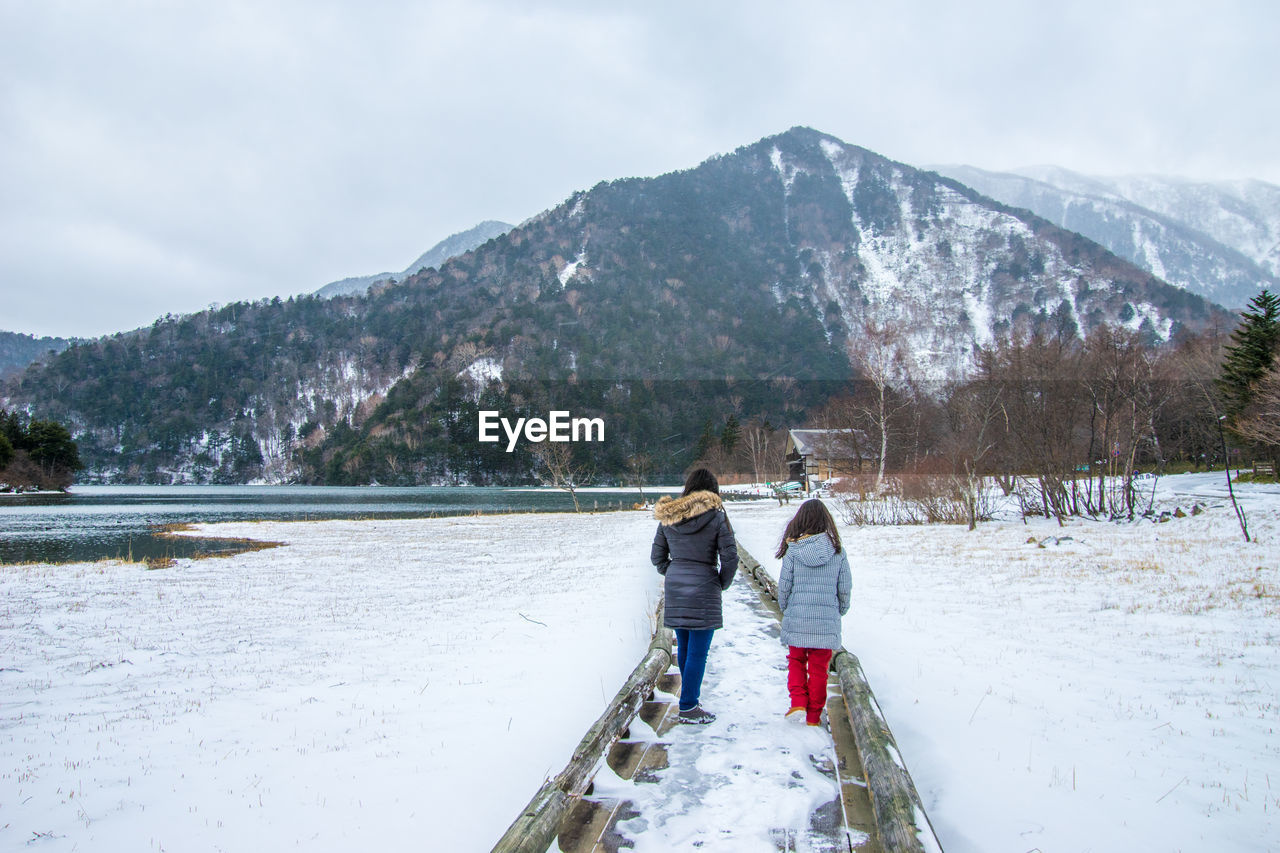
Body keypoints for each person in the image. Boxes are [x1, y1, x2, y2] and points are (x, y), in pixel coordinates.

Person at [650, 467, 738, 724]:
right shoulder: (717, 517)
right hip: (705, 586)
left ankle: (689, 701)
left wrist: (675, 571)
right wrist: (720, 582)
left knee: (686, 647)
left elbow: (657, 558)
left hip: (677, 588)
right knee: (698, 651)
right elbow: (730, 558)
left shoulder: (669, 517)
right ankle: (688, 706)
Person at [776, 498, 851, 727]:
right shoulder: (837, 551)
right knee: (819, 670)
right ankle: (813, 716)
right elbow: (844, 587)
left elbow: (784, 586)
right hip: (825, 622)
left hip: (798, 618)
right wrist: (840, 609)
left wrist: (786, 608)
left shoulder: (793, 551)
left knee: (796, 661)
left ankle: (798, 702)